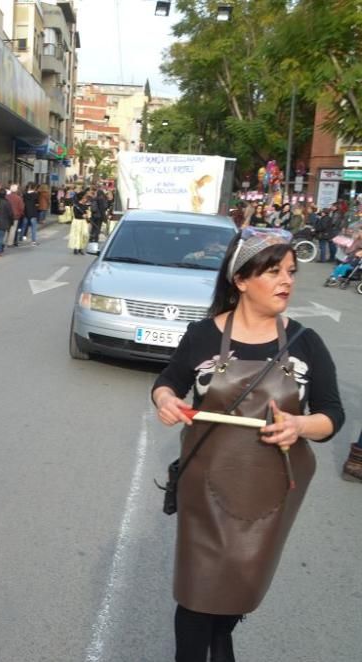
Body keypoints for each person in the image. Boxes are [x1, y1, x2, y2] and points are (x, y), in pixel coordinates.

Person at [152, 227, 343, 662]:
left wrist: (300, 425)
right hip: (205, 491)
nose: (287, 281)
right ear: (241, 279)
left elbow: (332, 415)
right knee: (197, 596)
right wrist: (165, 400)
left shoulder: (305, 342)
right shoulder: (202, 336)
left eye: (291, 272)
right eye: (273, 271)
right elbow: (169, 382)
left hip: (268, 497)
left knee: (233, 598)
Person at [0, 188, 13, 255]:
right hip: (4, 222)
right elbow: (10, 213)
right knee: (0, 237)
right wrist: (11, 222)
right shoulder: (7, 202)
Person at [6, 182, 25, 247]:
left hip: (6, 215)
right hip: (15, 216)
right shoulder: (18, 198)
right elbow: (21, 207)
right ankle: (9, 243)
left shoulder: (6, 197)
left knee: (6, 229)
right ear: (16, 190)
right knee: (13, 229)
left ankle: (3, 242)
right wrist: (20, 214)